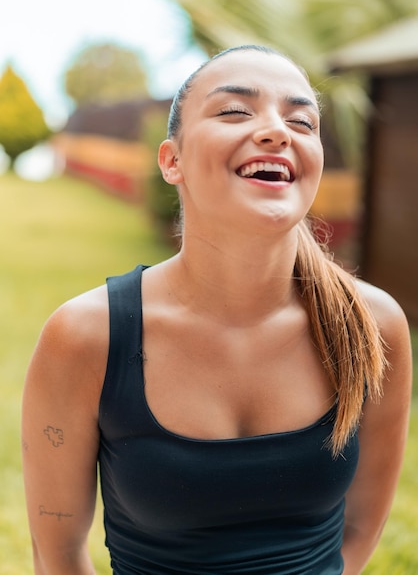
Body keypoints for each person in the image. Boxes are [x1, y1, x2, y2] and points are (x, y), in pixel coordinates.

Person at [22, 45, 412, 575]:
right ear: (171, 160)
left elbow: (362, 529)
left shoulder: (374, 325)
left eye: (302, 120)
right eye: (235, 111)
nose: (278, 131)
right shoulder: (87, 336)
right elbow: (58, 554)